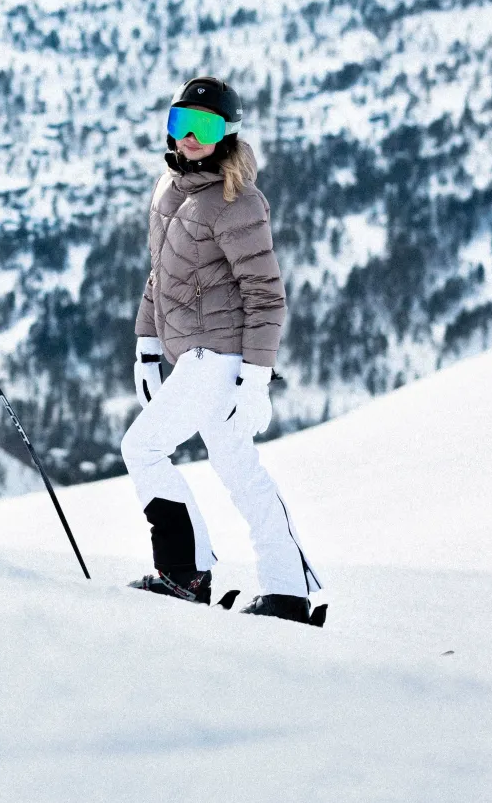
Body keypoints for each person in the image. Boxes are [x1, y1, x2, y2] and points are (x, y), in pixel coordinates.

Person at [121, 76, 323, 622]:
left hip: (221, 355)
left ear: (227, 135)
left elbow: (266, 295)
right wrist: (146, 345)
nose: (189, 137)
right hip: (192, 354)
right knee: (237, 466)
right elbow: (159, 276)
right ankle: (286, 590)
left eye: (203, 127)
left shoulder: (238, 202)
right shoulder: (169, 191)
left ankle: (184, 575)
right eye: (179, 123)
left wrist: (255, 377)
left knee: (142, 449)